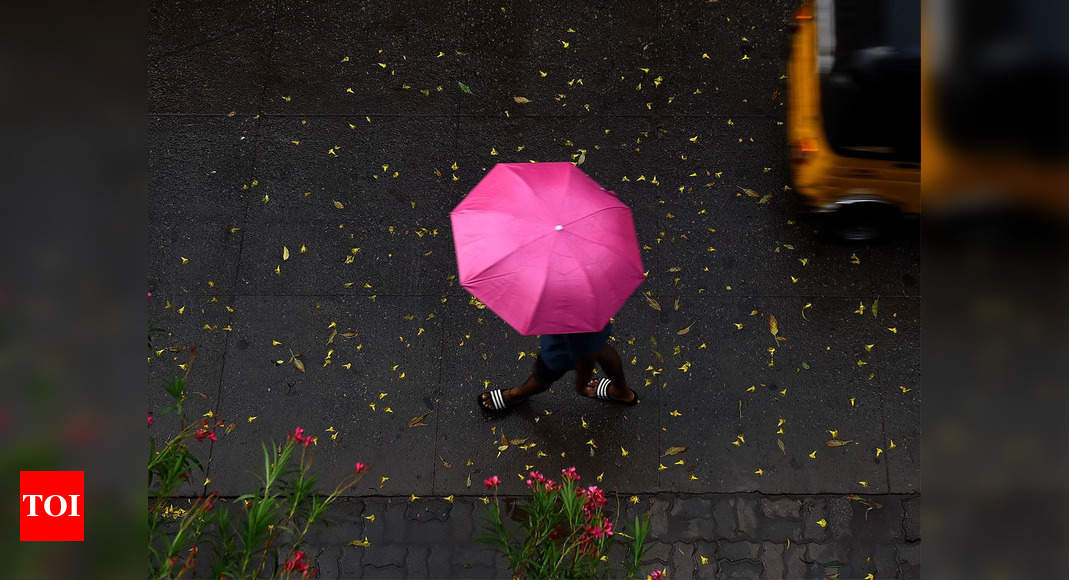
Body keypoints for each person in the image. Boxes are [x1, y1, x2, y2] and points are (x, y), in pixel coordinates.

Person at [478, 322, 638, 411]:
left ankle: (516, 395)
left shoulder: (563, 305)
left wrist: (581, 386)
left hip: (560, 348)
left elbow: (585, 358)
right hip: (594, 320)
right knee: (601, 347)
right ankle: (621, 391)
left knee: (543, 374)